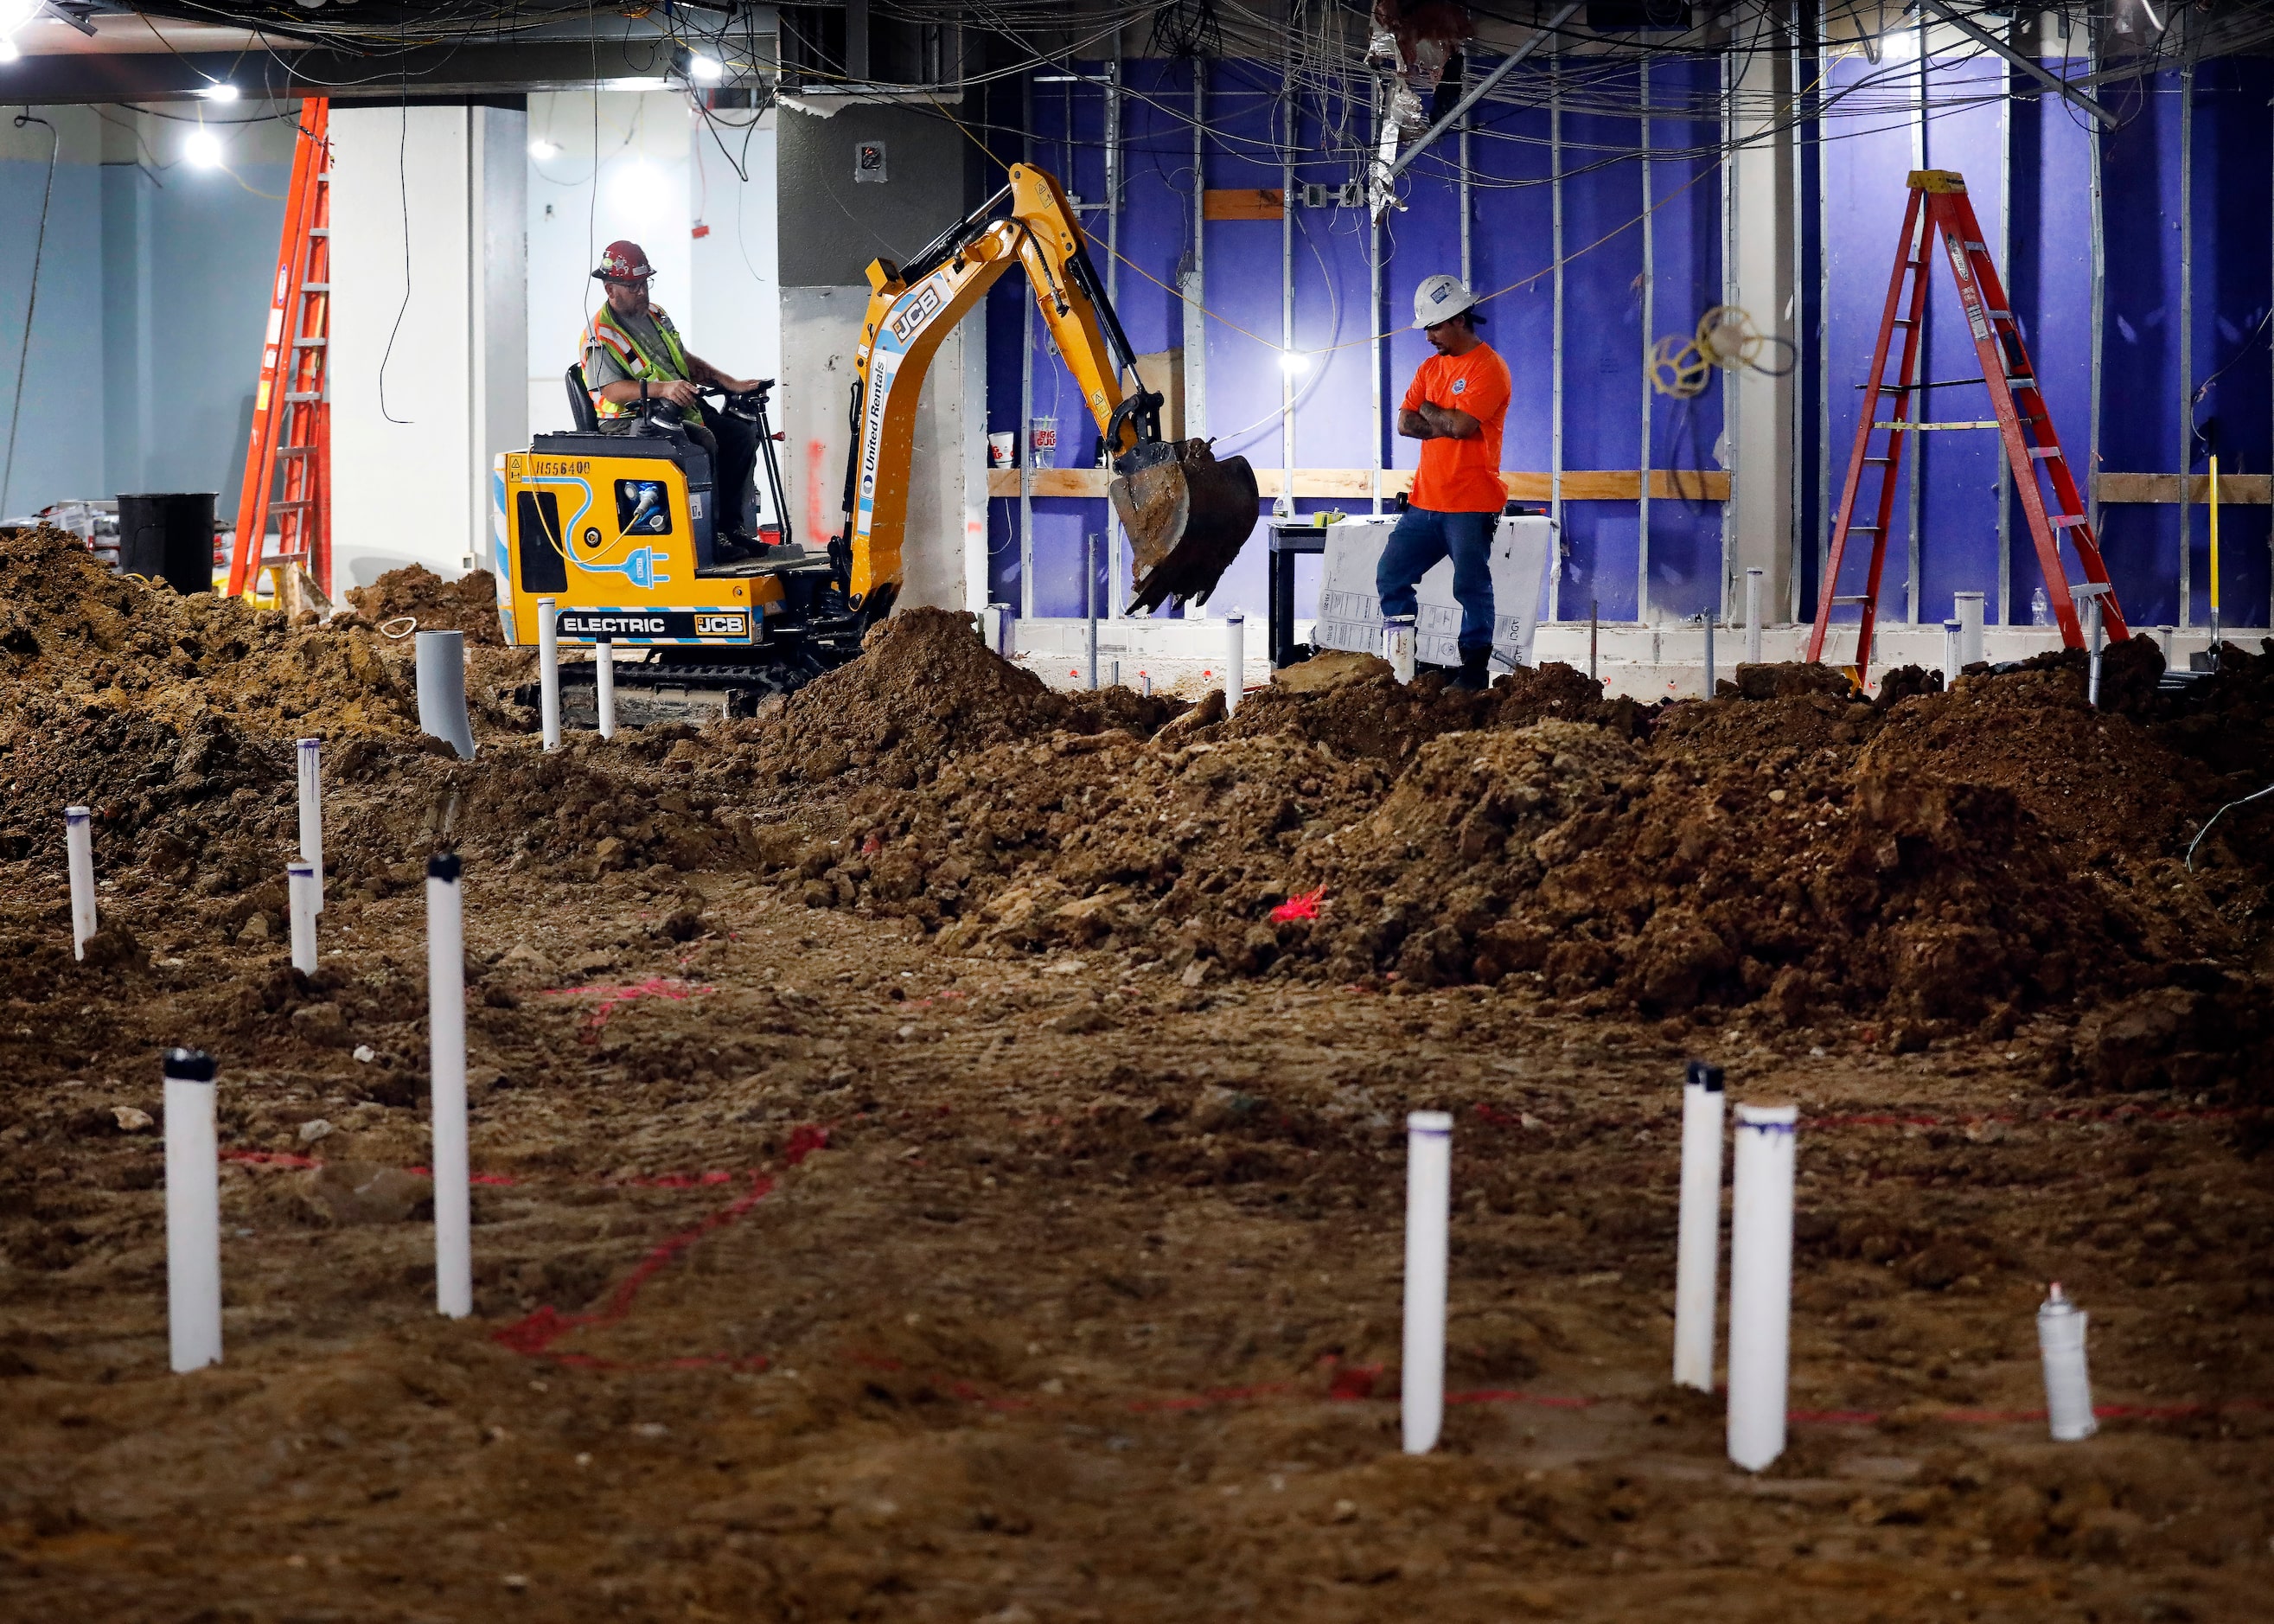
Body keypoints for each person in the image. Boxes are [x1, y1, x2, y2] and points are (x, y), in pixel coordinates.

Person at [581, 240, 767, 563]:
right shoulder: (600, 334)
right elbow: (612, 391)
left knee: (740, 435)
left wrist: (730, 383)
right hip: (626, 424)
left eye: (645, 283)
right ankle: (709, 538)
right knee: (702, 442)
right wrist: (663, 390)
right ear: (611, 289)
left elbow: (683, 360)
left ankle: (731, 528)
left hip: (675, 412)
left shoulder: (655, 315)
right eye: (633, 286)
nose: (643, 292)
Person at [1379, 273, 1512, 690]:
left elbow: (1461, 425)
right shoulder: (1429, 367)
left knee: (1471, 587)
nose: (1429, 337)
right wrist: (1445, 419)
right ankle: (1405, 666)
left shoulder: (1489, 368)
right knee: (1391, 574)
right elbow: (1405, 423)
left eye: (1434, 326)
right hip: (1424, 501)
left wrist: (1432, 410)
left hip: (1471, 503)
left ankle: (1473, 673)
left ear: (1458, 319)